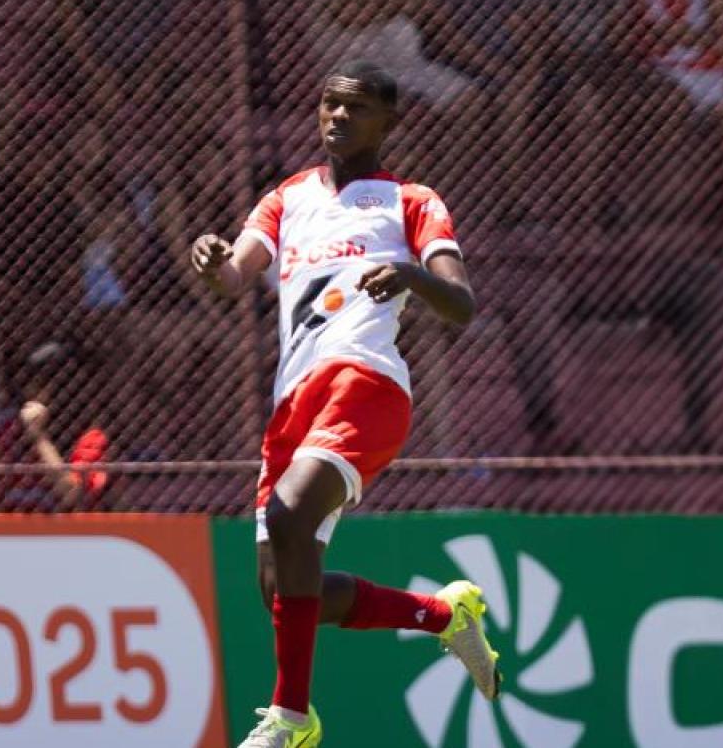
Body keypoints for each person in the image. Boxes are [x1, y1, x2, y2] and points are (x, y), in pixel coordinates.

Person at [191, 61, 499, 747]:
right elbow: (236, 275)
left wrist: (415, 275)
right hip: (293, 399)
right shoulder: (286, 197)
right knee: (282, 591)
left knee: (290, 512)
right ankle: (440, 615)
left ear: (388, 123)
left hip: (366, 382)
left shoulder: (412, 201)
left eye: (356, 108)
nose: (337, 117)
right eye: (329, 103)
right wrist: (215, 261)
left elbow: (462, 304)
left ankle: (293, 717)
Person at [0, 341, 110, 512]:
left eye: (42, 383)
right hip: (11, 526)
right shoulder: (9, 426)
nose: (32, 390)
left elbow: (70, 493)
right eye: (32, 382)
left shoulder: (90, 437)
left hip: (65, 531)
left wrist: (38, 437)